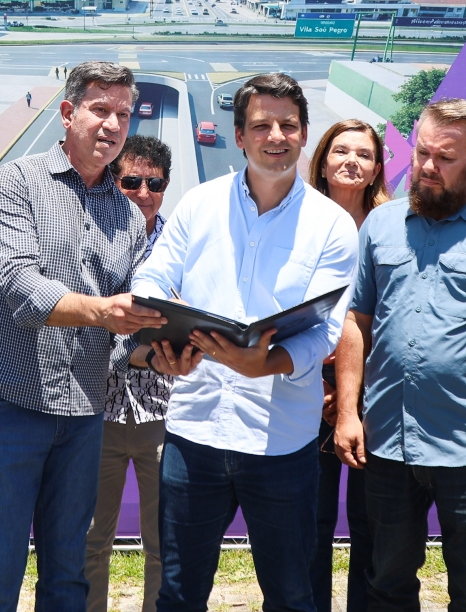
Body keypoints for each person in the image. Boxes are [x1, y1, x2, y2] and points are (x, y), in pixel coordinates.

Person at [133, 74, 359, 612]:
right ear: (240, 136)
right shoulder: (199, 205)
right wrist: (159, 329)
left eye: (288, 125)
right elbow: (153, 277)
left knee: (291, 595)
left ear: (305, 135)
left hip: (281, 442)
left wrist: (269, 363)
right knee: (180, 594)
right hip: (194, 432)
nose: (274, 135)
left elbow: (327, 330)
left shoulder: (332, 225)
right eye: (261, 125)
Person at [335, 98, 466, 612]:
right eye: (422, 153)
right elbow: (355, 324)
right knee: (386, 585)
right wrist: (348, 412)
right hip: (388, 443)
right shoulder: (380, 227)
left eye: (445, 158)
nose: (427, 167)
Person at [0, 62, 163, 612]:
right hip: (7, 403)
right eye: (101, 110)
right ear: (69, 113)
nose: (113, 124)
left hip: (82, 416)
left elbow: (125, 335)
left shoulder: (127, 214)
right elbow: (23, 291)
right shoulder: (14, 182)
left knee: (68, 579)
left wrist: (162, 351)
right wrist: (107, 313)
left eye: (123, 114)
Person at [86, 135, 173, 612]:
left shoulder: (181, 247)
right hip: (96, 412)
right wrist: (138, 351)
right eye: (132, 181)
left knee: (164, 543)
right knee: (91, 539)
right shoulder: (90, 239)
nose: (144, 192)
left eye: (155, 183)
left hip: (165, 412)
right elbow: (89, 324)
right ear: (113, 181)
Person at [307, 121, 391, 612]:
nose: (351, 161)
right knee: (310, 523)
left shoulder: (391, 225)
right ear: (322, 159)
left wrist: (353, 393)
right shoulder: (295, 220)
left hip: (372, 396)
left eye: (364, 153)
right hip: (305, 391)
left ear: (378, 167)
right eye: (341, 150)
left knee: (370, 523)